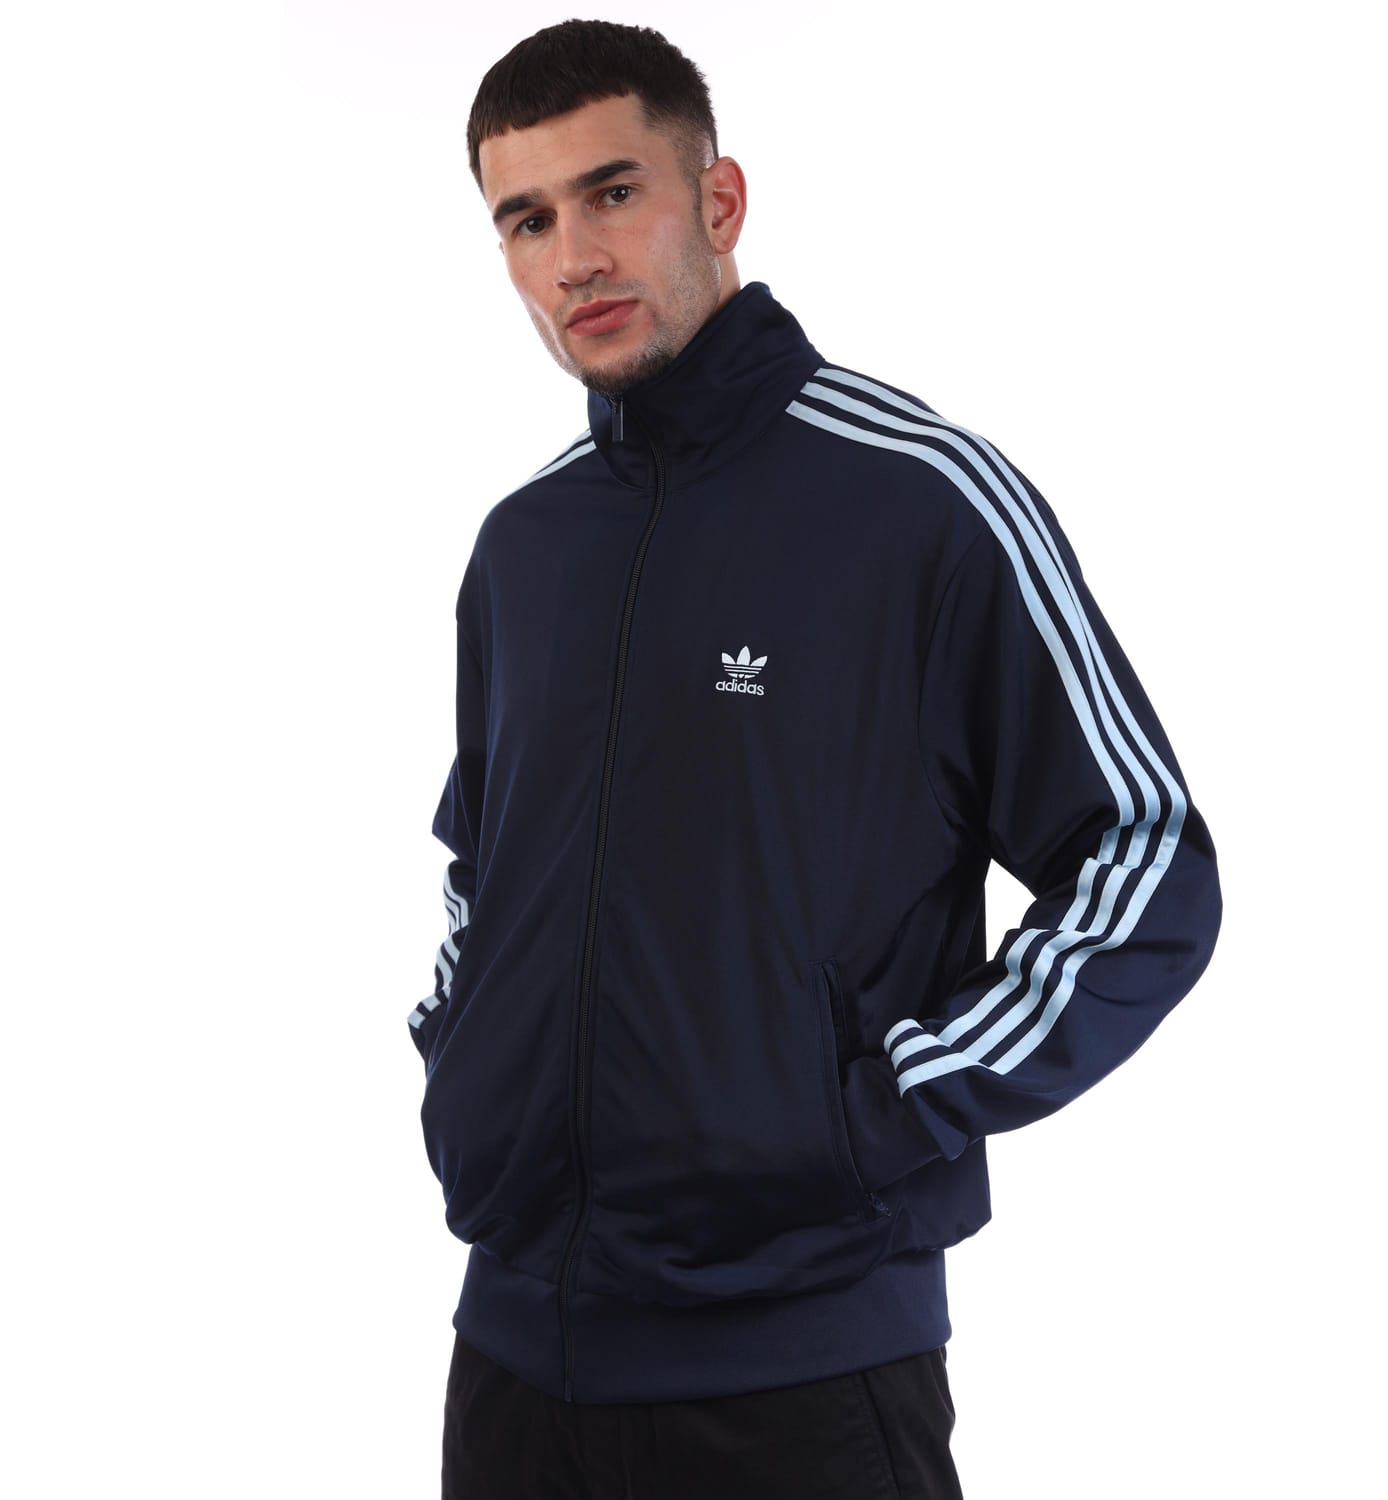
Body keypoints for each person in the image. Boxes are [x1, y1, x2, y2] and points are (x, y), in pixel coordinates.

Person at [409, 18, 1223, 1499]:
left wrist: (875, 1107)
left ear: (718, 201)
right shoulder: (523, 545)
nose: (574, 257)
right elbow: (484, 859)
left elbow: (1144, 861)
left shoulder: (918, 503)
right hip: (514, 1367)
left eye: (613, 193)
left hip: (801, 1379)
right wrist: (463, 1055)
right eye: (525, 220)